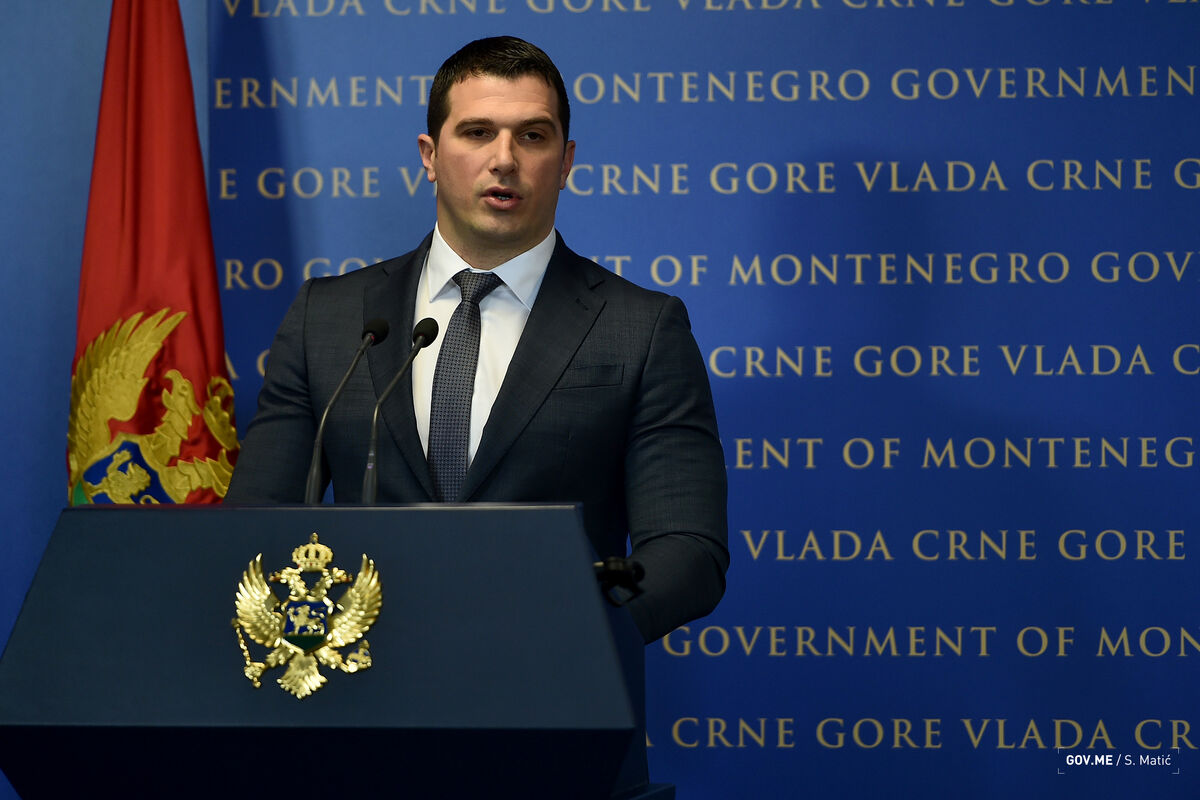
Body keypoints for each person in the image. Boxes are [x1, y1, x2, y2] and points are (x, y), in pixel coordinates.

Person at [226, 35, 728, 646]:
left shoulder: (641, 329)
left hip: (552, 680)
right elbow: (252, 527)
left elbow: (688, 549)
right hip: (361, 681)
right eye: (477, 132)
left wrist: (577, 624)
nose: (504, 159)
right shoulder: (328, 320)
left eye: (533, 136)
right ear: (430, 155)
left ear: (566, 162)